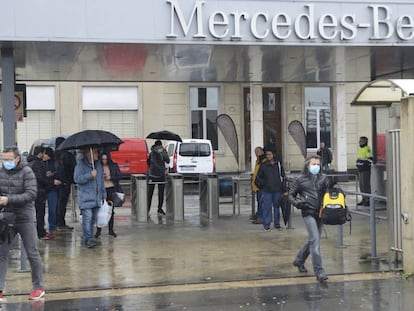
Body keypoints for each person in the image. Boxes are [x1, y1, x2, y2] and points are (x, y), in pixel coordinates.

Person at [0, 146, 45, 300]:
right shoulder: (1, 173)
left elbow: (31, 194)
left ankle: (38, 287)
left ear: (17, 158)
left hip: (25, 217)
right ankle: (0, 289)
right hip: (7, 218)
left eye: (8, 159)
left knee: (32, 253)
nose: (5, 162)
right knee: (2, 253)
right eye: (3, 159)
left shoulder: (27, 172)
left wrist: (9, 199)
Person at [288, 154, 331, 282]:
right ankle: (319, 271)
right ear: (307, 165)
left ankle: (299, 260)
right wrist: (297, 203)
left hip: (321, 213)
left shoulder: (324, 178)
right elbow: (290, 195)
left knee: (313, 240)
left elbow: (329, 193)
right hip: (308, 212)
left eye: (318, 165)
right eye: (313, 164)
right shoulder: (300, 179)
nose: (316, 167)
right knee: (315, 241)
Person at [74, 147, 106, 248]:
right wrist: (89, 175)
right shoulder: (80, 165)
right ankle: (88, 238)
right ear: (89, 153)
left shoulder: (98, 165)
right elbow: (77, 179)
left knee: (93, 220)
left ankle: (90, 237)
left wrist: (103, 195)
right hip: (86, 198)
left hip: (97, 198)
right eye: (96, 152)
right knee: (87, 219)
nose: (98, 154)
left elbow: (101, 181)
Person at [255, 148, 286, 231]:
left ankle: (277, 224)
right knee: (267, 208)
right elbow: (258, 178)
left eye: (270, 154)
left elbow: (283, 177)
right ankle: (266, 225)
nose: (268, 156)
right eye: (267, 154)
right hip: (267, 190)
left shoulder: (278, 165)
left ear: (274, 155)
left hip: (277, 190)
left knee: (277, 207)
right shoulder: (263, 165)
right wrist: (262, 186)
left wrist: (284, 189)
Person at [27, 146, 53, 240]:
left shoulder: (30, 163)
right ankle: (40, 233)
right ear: (40, 153)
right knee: (40, 213)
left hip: (32, 190)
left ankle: (37, 231)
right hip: (39, 191)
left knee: (34, 213)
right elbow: (39, 178)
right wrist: (50, 181)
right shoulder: (38, 163)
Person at [95, 151, 122, 238]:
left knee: (110, 210)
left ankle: (111, 230)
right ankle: (98, 230)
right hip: (101, 190)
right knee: (100, 211)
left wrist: (110, 177)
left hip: (111, 189)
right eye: (103, 159)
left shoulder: (113, 166)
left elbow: (119, 176)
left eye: (106, 159)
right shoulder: (98, 167)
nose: (104, 161)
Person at [55, 137, 76, 231]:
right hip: (65, 182)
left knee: (56, 203)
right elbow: (73, 169)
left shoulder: (53, 155)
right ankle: (61, 222)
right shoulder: (68, 155)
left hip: (54, 183)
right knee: (62, 203)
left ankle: (56, 222)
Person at [147, 140, 170, 216]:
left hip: (161, 176)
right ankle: (147, 209)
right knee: (150, 193)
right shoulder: (152, 153)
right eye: (159, 146)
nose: (160, 147)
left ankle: (160, 209)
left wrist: (164, 153)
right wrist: (163, 170)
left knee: (161, 193)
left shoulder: (163, 152)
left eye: (161, 146)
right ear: (156, 146)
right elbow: (153, 162)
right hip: (153, 175)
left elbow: (168, 160)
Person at [43, 147, 61, 237]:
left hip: (52, 189)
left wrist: (53, 175)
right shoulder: (41, 163)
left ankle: (52, 228)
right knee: (41, 210)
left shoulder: (55, 163)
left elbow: (59, 173)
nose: (44, 155)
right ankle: (42, 228)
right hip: (43, 189)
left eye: (45, 154)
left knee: (52, 210)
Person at [356, 136, 373, 206]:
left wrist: (363, 163)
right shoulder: (360, 149)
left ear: (365, 142)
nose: (360, 142)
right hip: (360, 170)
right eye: (359, 141)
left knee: (366, 185)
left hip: (365, 170)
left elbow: (370, 159)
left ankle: (368, 200)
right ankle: (364, 198)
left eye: (361, 141)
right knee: (361, 186)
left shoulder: (367, 149)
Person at [251, 146, 266, 224]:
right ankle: (259, 215)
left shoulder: (263, 161)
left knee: (261, 201)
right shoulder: (258, 161)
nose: (256, 154)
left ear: (262, 152)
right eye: (255, 152)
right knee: (259, 201)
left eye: (257, 152)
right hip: (257, 185)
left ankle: (261, 217)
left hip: (261, 185)